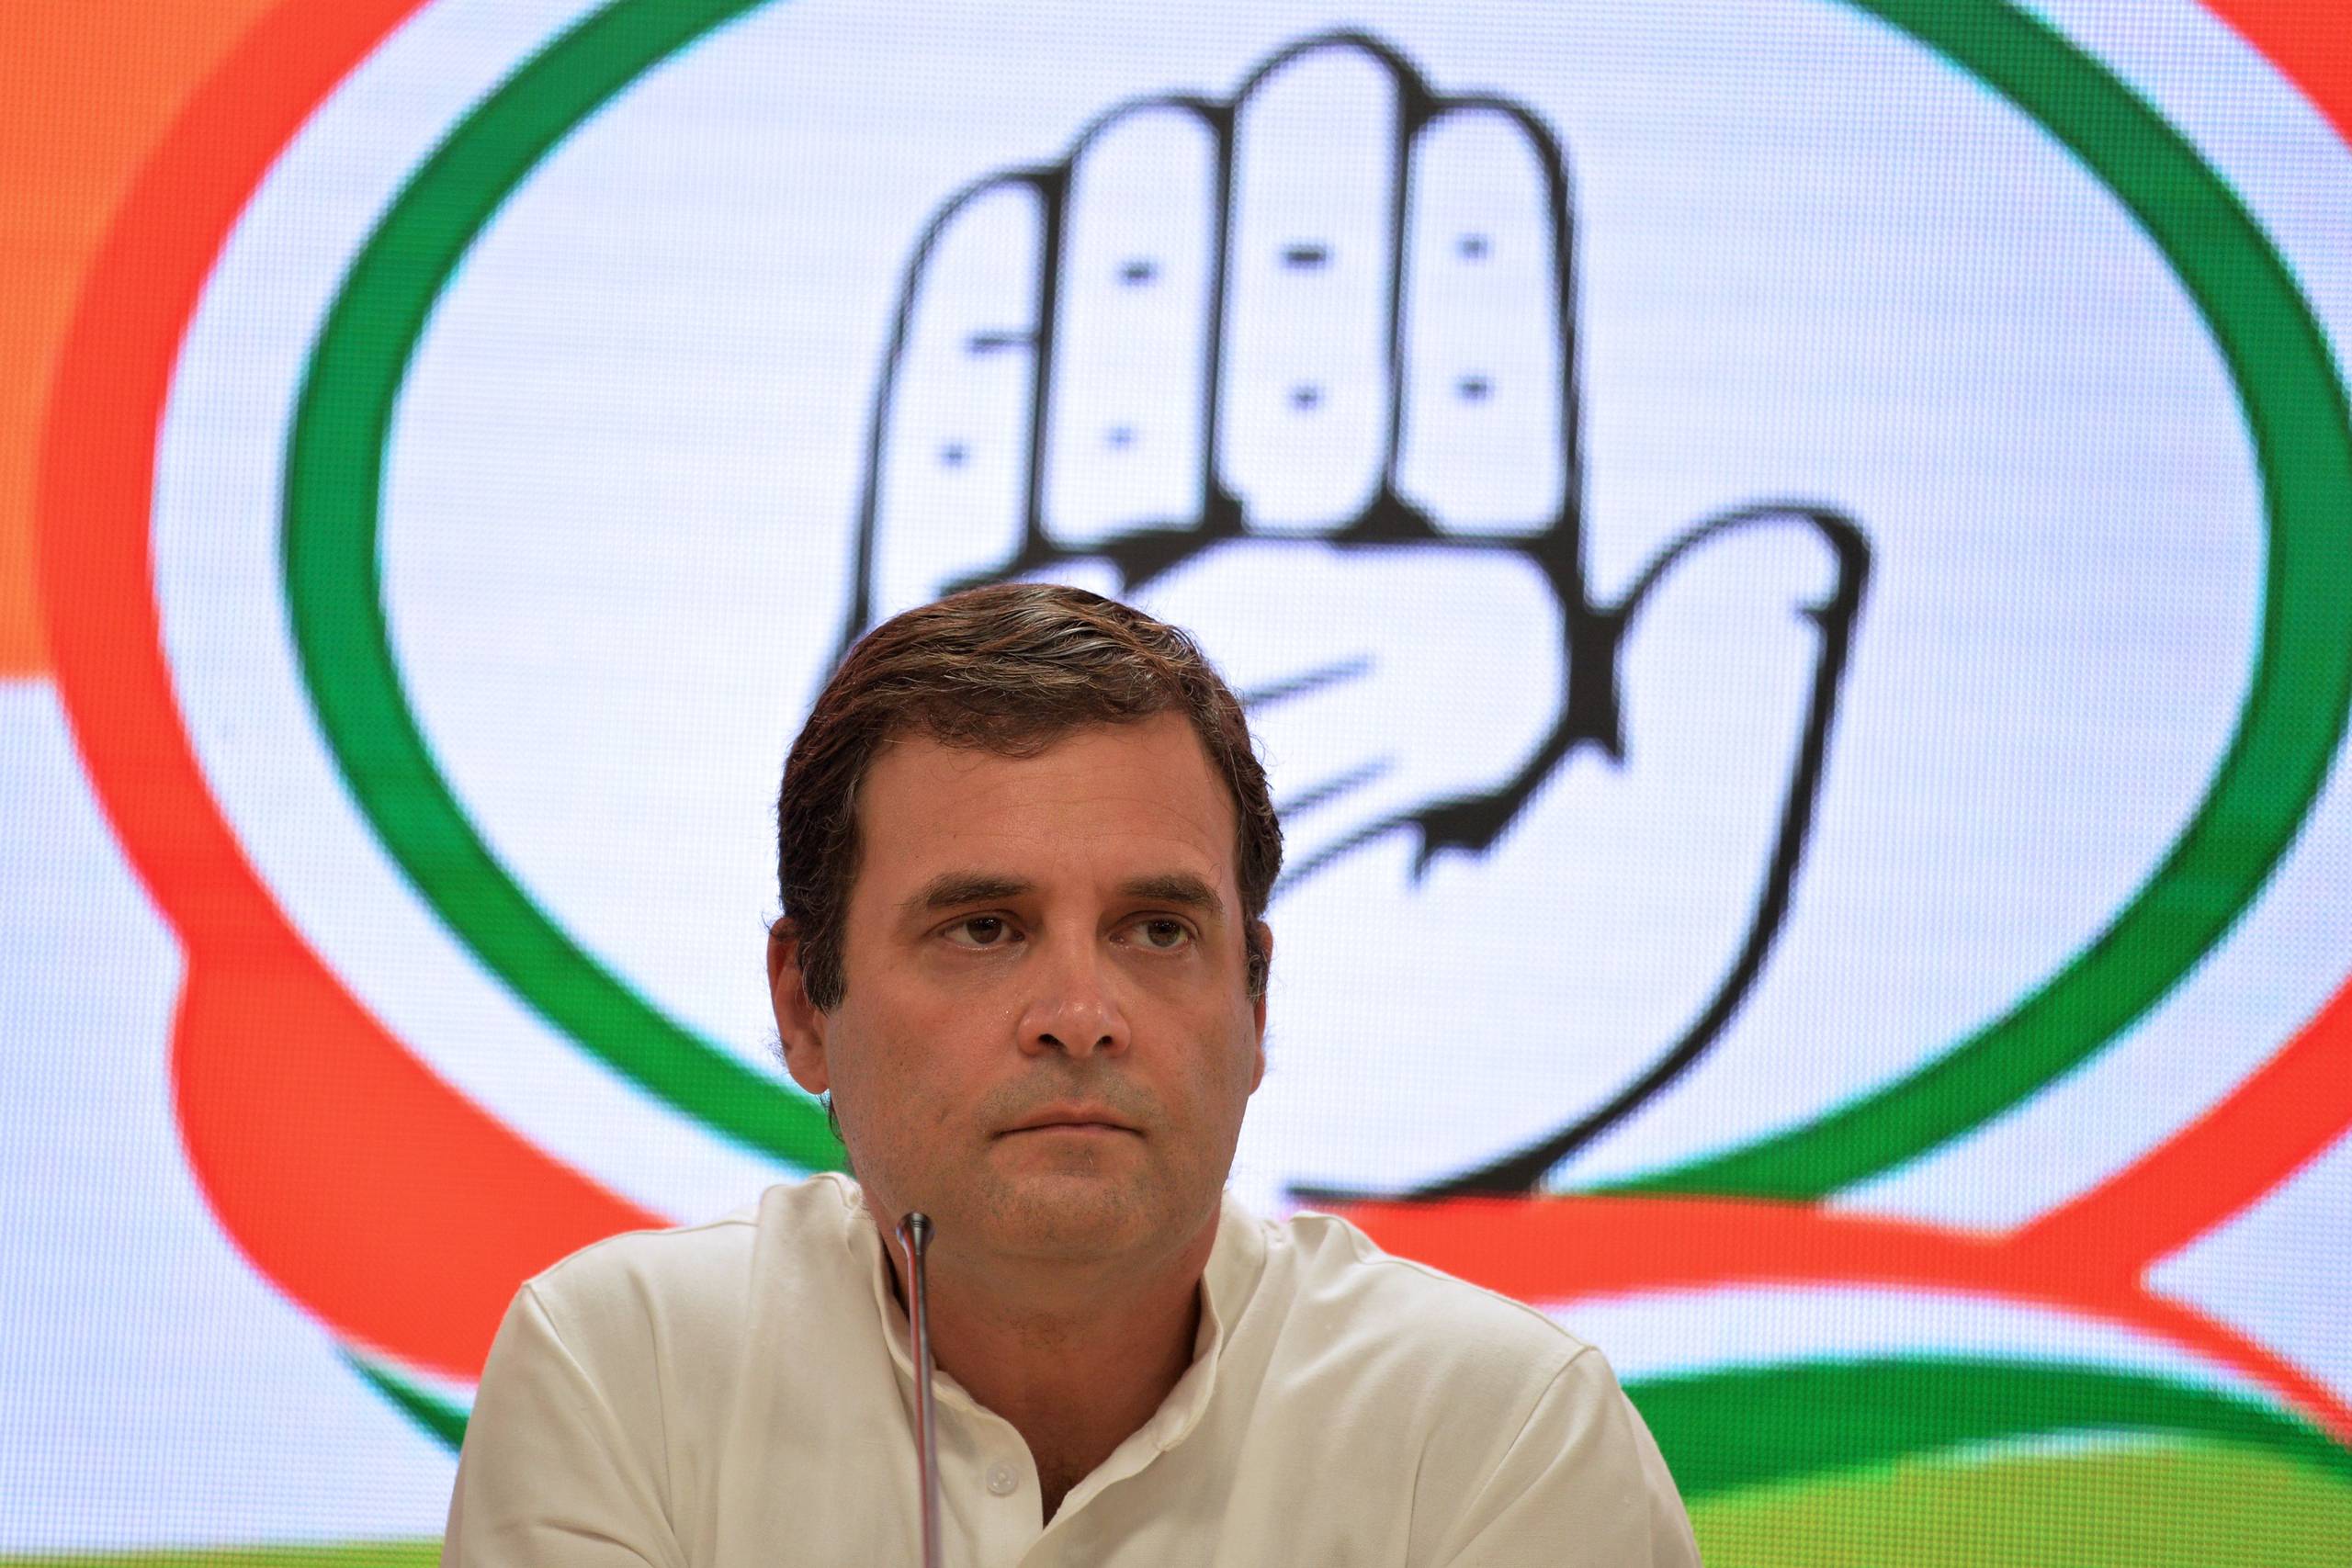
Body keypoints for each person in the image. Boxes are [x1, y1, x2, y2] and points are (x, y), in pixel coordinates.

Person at [444, 583, 1700, 1566]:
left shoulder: (1500, 1434)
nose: (1081, 1017)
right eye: (984, 928)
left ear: (1254, 1007)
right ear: (802, 1005)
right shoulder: (625, 1372)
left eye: (1158, 931)